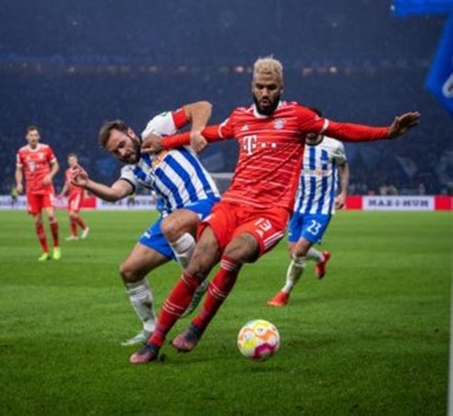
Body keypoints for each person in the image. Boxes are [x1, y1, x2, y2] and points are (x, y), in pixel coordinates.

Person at [133, 56, 420, 364]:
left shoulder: (299, 116)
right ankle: (155, 341)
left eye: (271, 87)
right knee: (198, 263)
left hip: (269, 214)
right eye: (260, 86)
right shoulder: (240, 118)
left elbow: (341, 129)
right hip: (232, 204)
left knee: (234, 254)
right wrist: (165, 142)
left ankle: (198, 326)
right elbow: (210, 133)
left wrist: (386, 133)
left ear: (282, 87)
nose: (265, 92)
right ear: (252, 87)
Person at [70, 101, 220, 346]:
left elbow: (202, 106)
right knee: (129, 270)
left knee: (170, 226)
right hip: (171, 219)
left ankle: (196, 282)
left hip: (204, 202)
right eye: (115, 152)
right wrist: (87, 184)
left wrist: (195, 132)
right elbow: (116, 193)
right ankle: (150, 328)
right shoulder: (132, 171)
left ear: (130, 133)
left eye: (122, 145)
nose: (122, 153)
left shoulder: (157, 128)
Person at [267, 108, 349, 307]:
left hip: (321, 210)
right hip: (298, 207)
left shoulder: (334, 146)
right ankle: (321, 258)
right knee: (293, 251)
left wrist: (343, 192)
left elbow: (343, 166)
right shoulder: (295, 144)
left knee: (299, 252)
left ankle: (284, 292)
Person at [15, 126, 61, 261]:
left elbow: (56, 165)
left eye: (35, 135)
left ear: (39, 137)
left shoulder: (46, 149)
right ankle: (45, 251)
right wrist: (19, 183)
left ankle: (56, 247)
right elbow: (18, 170)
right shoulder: (21, 152)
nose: (33, 137)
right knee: (37, 221)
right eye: (31, 135)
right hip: (32, 191)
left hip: (46, 189)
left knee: (51, 216)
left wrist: (50, 176)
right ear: (27, 137)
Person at [58, 153, 90, 241]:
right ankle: (74, 235)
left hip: (78, 192)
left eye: (73, 160)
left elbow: (85, 181)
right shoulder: (67, 171)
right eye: (70, 160)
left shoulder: (79, 170)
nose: (71, 162)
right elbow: (67, 183)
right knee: (70, 216)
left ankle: (85, 228)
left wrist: (86, 193)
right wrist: (62, 193)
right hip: (71, 194)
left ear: (76, 160)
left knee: (73, 214)